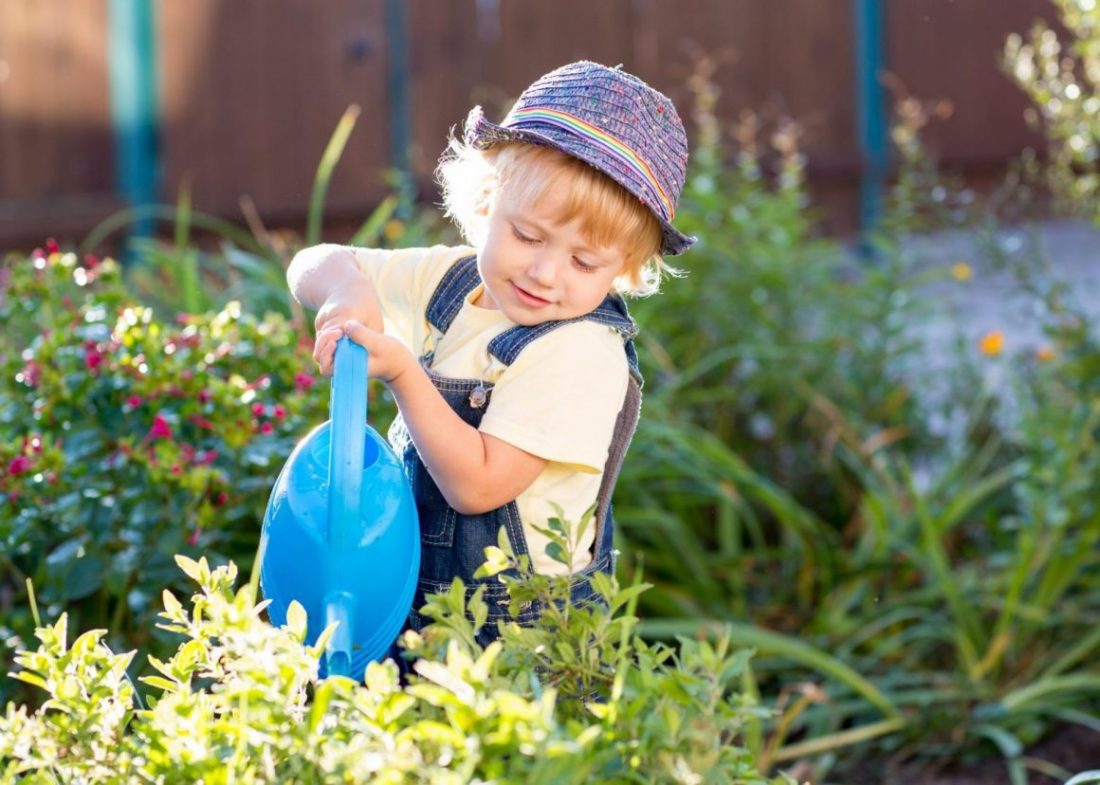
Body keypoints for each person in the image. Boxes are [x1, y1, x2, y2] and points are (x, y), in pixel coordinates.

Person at [286, 60, 695, 643]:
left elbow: (476, 486)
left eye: (584, 262)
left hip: (520, 628)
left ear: (625, 269)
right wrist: (348, 288)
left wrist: (404, 373)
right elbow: (312, 264)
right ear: (484, 203)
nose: (544, 272)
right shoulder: (455, 281)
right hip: (422, 595)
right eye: (527, 235)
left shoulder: (578, 351)